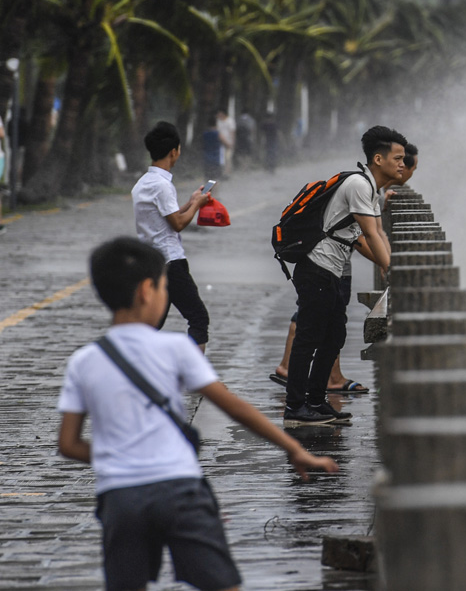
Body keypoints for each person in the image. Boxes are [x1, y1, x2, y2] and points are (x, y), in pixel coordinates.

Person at [57, 237, 337, 591]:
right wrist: (294, 449)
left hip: (120, 498)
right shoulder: (175, 347)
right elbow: (233, 406)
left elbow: (68, 444)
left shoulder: (84, 361)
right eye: (164, 286)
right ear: (147, 290)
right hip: (179, 489)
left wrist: (119, 455)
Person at [270, 140, 417, 394]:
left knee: (332, 335)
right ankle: (297, 407)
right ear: (379, 159)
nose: (403, 165)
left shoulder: (371, 189)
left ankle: (317, 401)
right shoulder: (360, 185)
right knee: (310, 336)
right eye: (399, 159)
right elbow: (367, 236)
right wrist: (391, 269)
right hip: (321, 266)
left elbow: (374, 232)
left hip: (331, 269)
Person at [132, 121, 212, 351]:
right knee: (198, 318)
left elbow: (167, 216)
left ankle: (134, 367)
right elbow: (177, 223)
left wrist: (191, 200)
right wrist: (196, 205)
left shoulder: (143, 184)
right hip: (171, 262)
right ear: (173, 151)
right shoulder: (163, 186)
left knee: (152, 322)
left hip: (152, 262)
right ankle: (193, 374)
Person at [202, 116, 222, 182]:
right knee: (216, 178)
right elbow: (225, 142)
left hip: (207, 159)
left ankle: (208, 192)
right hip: (216, 159)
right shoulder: (217, 133)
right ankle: (215, 192)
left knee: (208, 178)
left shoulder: (205, 134)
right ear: (216, 123)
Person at [217, 109, 236, 177]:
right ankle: (222, 172)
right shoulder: (218, 121)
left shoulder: (230, 121)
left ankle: (227, 172)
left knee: (228, 158)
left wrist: (232, 142)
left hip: (229, 142)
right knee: (222, 159)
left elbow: (232, 132)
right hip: (220, 142)